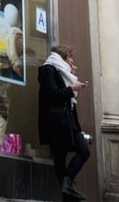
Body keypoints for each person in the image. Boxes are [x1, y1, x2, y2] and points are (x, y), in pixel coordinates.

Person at [38, 44, 89, 200]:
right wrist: (72, 87)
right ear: (62, 57)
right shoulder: (48, 69)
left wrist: (69, 79)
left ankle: (67, 186)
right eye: (70, 57)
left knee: (81, 152)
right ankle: (68, 192)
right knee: (65, 155)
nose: (72, 61)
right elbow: (53, 94)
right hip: (57, 121)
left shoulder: (61, 71)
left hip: (67, 121)